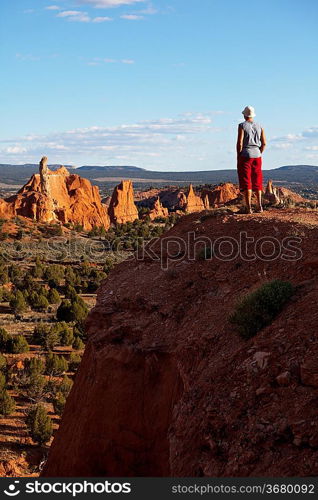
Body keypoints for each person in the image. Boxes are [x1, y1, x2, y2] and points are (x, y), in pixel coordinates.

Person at [236, 106, 266, 213]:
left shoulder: (242, 126)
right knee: (257, 180)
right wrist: (259, 152)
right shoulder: (260, 126)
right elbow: (264, 143)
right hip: (257, 155)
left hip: (246, 154)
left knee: (246, 180)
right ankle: (260, 206)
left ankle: (248, 208)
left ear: (245, 115)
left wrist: (239, 155)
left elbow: (239, 143)